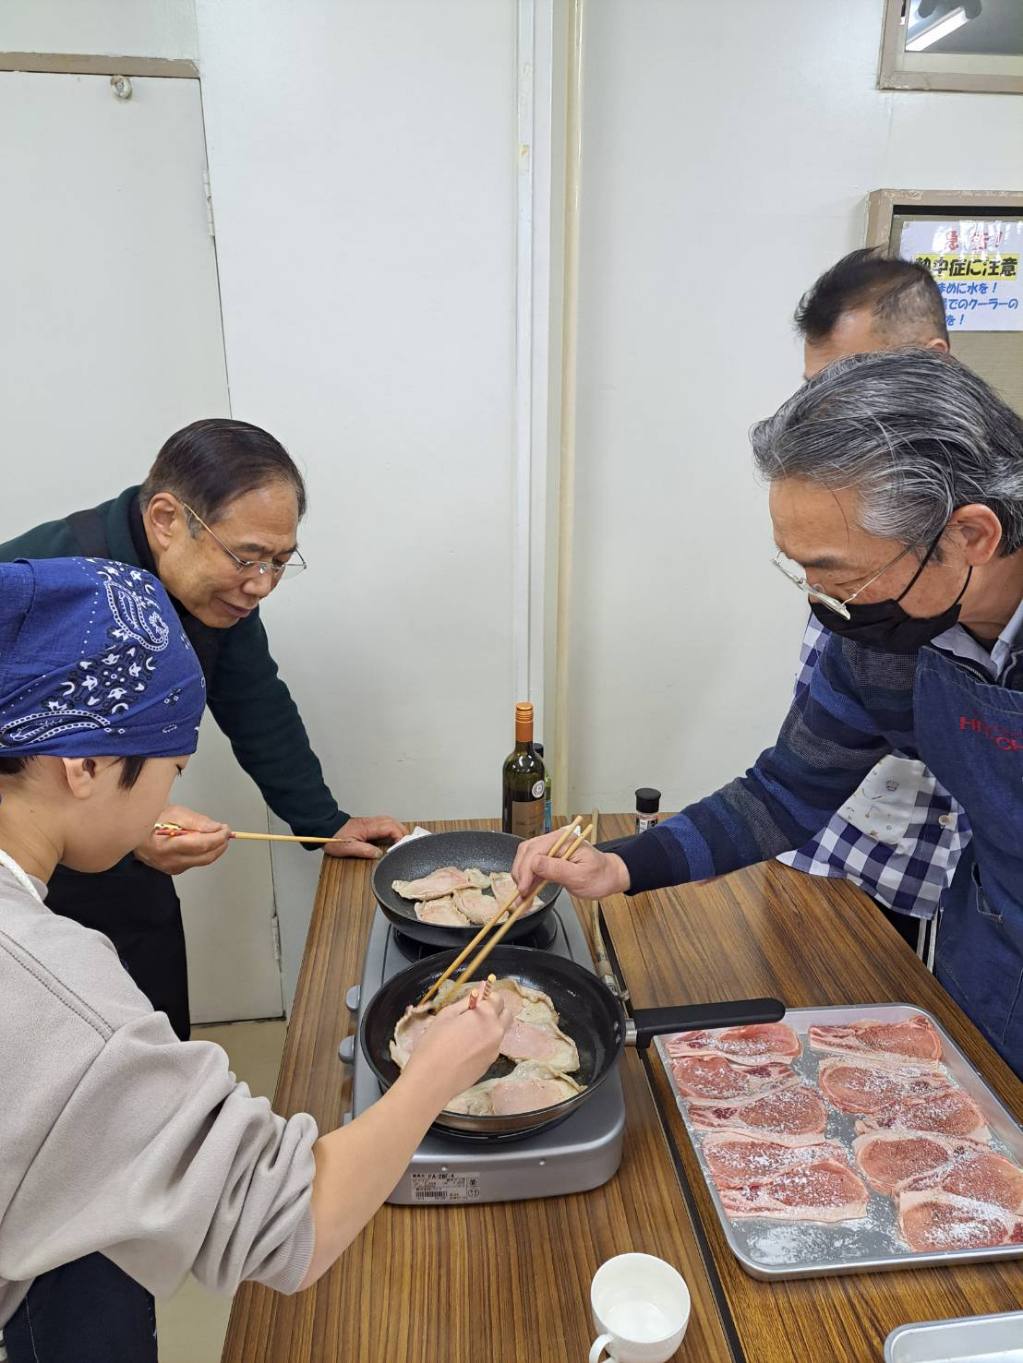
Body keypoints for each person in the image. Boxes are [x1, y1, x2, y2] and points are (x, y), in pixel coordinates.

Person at [0, 556, 509, 1363]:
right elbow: (291, 1223)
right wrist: (434, 1073)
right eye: (171, 764)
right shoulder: (63, 1000)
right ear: (84, 765)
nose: (172, 787)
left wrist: (129, 835)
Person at [514, 350, 1023, 1079]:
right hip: (997, 946)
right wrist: (620, 866)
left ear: (970, 535)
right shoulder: (880, 640)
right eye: (801, 568)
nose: (820, 596)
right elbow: (785, 790)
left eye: (840, 571)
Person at [0, 419, 405, 1039]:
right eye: (247, 558)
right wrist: (129, 828)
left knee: (154, 1019)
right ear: (167, 519)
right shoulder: (44, 580)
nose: (261, 584)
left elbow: (255, 699)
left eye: (278, 562)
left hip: (123, 861)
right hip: (23, 886)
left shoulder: (222, 594)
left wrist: (322, 823)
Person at [776, 248, 966, 955]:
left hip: (931, 874)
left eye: (856, 385)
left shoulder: (971, 512)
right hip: (826, 831)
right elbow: (792, 771)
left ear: (934, 362)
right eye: (812, 390)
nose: (826, 416)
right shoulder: (849, 478)